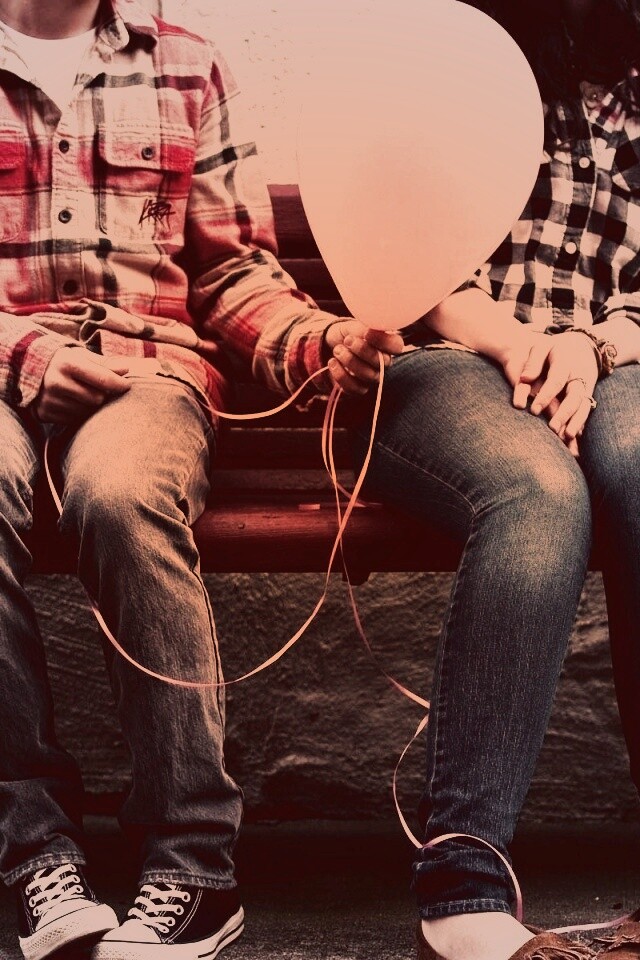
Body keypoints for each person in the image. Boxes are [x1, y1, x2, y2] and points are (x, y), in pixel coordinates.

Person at [0, 2, 399, 959]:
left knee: (123, 498)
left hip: (147, 371)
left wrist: (321, 343)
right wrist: (30, 357)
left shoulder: (185, 63)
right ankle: (34, 853)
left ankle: (194, 866)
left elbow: (231, 273)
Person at [329, 1, 640, 958]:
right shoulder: (460, 58)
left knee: (638, 469)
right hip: (452, 358)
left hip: (614, 358)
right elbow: (402, 256)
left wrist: (589, 346)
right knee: (538, 495)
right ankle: (461, 890)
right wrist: (521, 344)